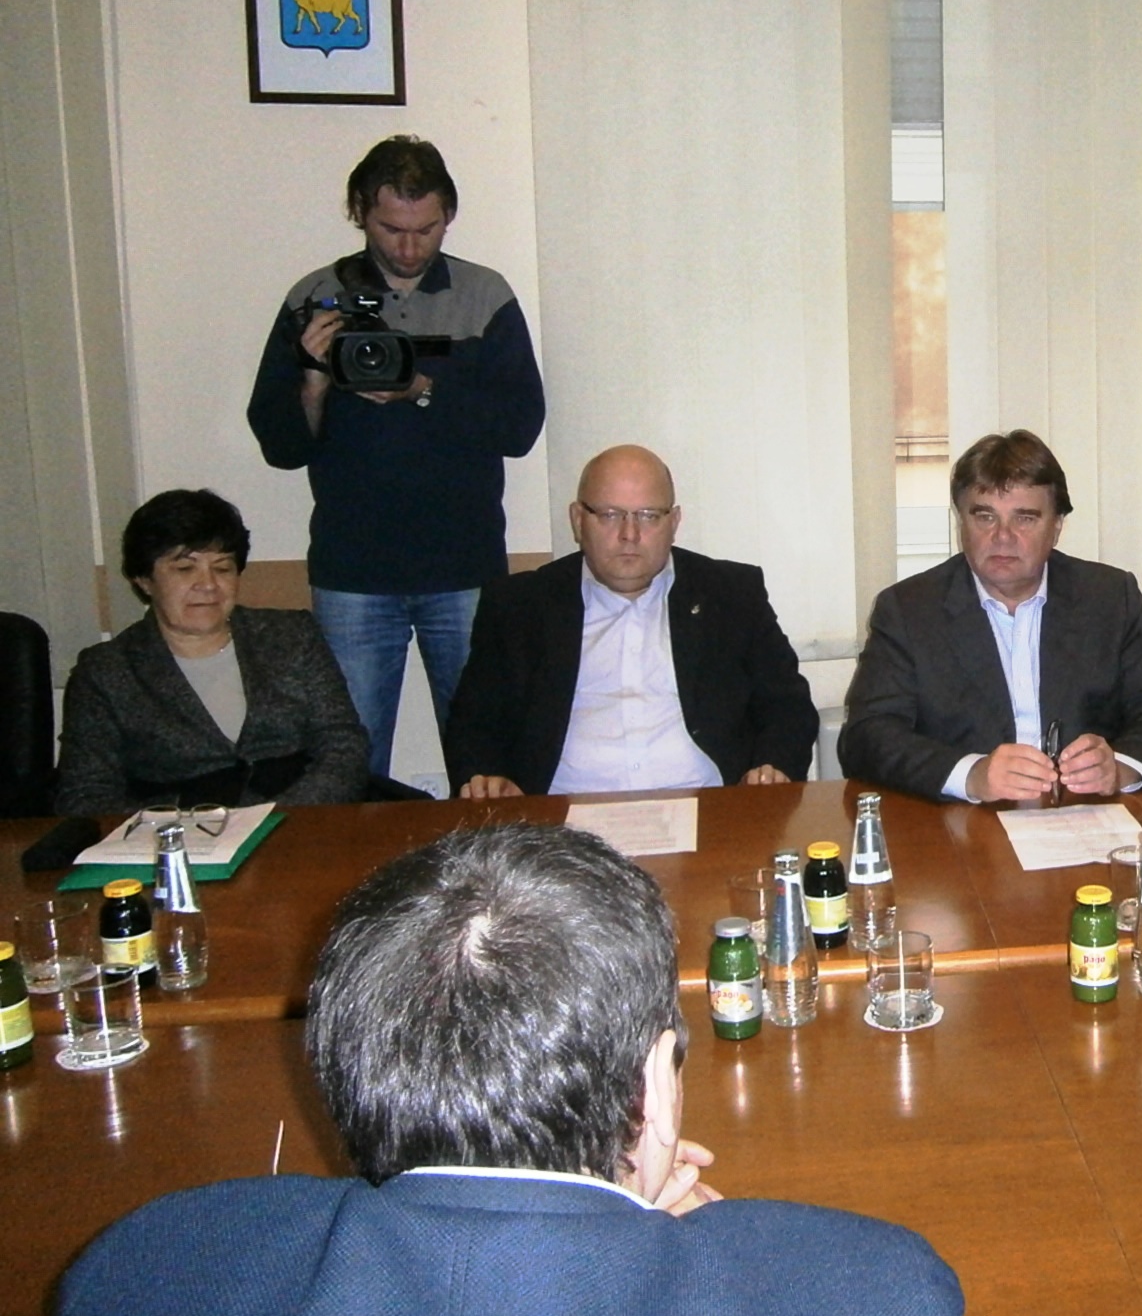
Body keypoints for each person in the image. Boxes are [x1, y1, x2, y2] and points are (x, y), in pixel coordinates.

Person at [54, 821, 964, 1316]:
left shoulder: (151, 1267)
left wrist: (605, 1216)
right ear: (654, 1090)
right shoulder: (872, 1292)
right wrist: (646, 1225)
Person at [246, 135, 546, 780]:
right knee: (348, 762)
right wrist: (314, 378)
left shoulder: (484, 294)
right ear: (359, 211)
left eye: (426, 229)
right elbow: (280, 447)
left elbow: (521, 427)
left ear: (449, 215)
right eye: (391, 229)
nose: (409, 248)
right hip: (352, 572)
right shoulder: (314, 296)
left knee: (486, 757)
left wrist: (422, 388)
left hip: (465, 567)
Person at [445, 445, 817, 797]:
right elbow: (473, 722)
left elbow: (787, 705)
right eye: (610, 514)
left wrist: (773, 767)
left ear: (674, 522)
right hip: (561, 817)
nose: (629, 534)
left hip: (708, 809)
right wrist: (487, 777)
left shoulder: (731, 595)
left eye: (648, 516)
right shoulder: (519, 605)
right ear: (578, 520)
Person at [840, 430, 1142, 803]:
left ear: (1056, 527)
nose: (1002, 537)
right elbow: (867, 736)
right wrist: (970, 774)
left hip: (1084, 812)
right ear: (961, 522)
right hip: (963, 822)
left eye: (1024, 518)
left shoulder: (1108, 597)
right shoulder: (908, 610)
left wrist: (1118, 768)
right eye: (985, 517)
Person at [55, 490, 369, 815]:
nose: (207, 585)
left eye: (222, 568)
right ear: (145, 580)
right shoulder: (106, 671)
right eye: (184, 569)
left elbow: (344, 746)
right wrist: (186, 829)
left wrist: (278, 818)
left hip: (300, 822)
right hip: (177, 835)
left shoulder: (292, 635)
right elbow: (86, 795)